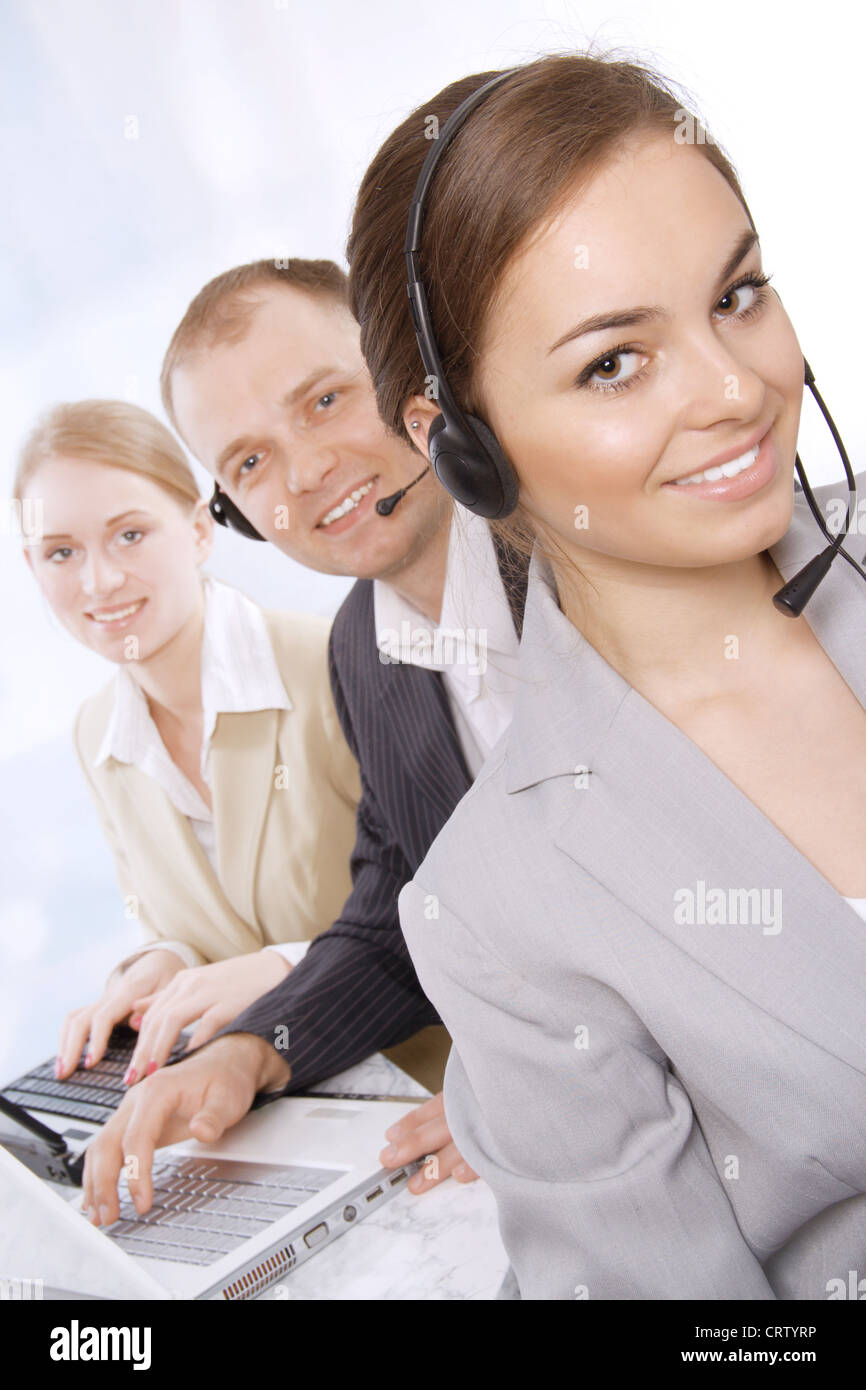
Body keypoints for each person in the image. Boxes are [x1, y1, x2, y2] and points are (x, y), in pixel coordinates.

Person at [348, 53, 866, 1298]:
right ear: (461, 446)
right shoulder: (498, 909)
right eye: (612, 363)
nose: (735, 389)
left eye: (736, 294)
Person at [80, 257, 529, 1227]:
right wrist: (253, 1049)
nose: (306, 471)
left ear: (412, 372)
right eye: (249, 462)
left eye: (325, 400)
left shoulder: (591, 537)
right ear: (237, 517)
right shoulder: (364, 649)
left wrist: (547, 1081)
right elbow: (396, 909)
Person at [15, 398, 362, 1088]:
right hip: (272, 1107)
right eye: (62, 552)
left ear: (200, 531)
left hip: (430, 1086)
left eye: (130, 535)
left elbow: (454, 904)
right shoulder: (98, 734)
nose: (99, 581)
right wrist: (155, 969)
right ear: (32, 567)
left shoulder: (338, 664)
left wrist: (281, 970)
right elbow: (189, 919)